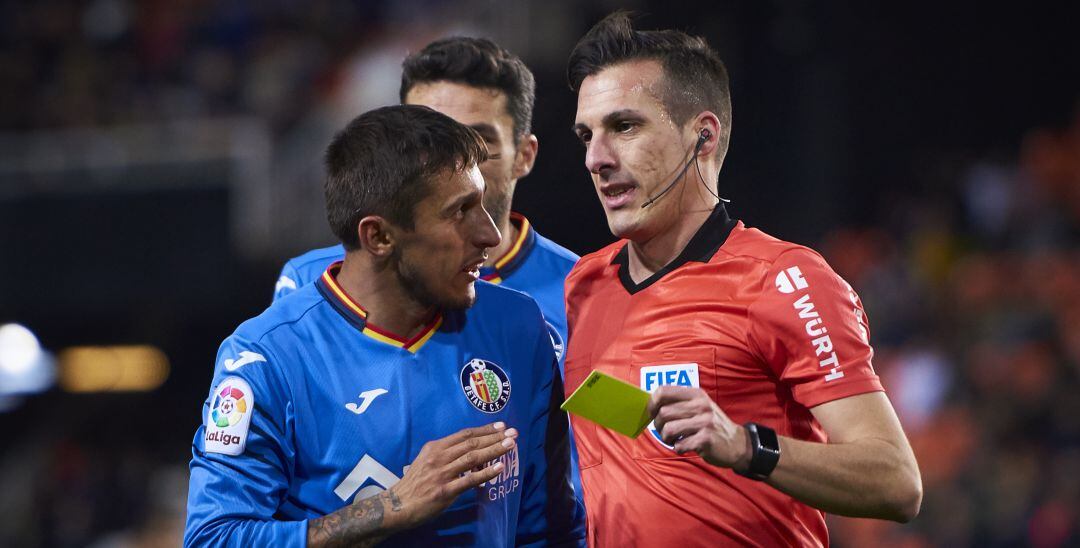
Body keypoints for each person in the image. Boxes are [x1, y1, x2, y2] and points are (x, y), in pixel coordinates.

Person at [563, 12, 922, 546]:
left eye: (625, 126)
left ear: (702, 136)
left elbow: (897, 482)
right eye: (586, 135)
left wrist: (747, 444)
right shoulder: (582, 287)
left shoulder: (783, 280)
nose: (596, 158)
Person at [184, 105, 584, 547]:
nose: (490, 235)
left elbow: (547, 530)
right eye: (460, 212)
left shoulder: (517, 324)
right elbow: (213, 538)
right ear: (378, 237)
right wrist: (391, 507)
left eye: (483, 204)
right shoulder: (267, 358)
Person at [274, 37, 579, 366]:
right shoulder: (312, 280)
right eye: (431, 142)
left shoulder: (580, 290)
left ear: (524, 155)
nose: (457, 164)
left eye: (480, 141)